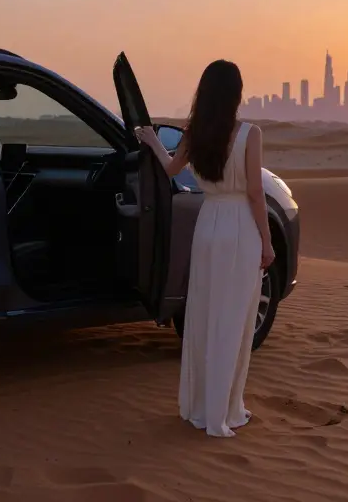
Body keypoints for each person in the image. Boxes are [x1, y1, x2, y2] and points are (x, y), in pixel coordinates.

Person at [135, 60, 276, 438]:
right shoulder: (250, 133)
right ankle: (224, 409)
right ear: (236, 93)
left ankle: (200, 406)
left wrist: (151, 140)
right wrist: (267, 240)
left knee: (205, 314)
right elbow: (254, 192)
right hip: (240, 228)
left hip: (208, 225)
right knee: (233, 320)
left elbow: (169, 169)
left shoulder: (195, 133)